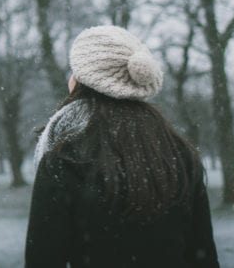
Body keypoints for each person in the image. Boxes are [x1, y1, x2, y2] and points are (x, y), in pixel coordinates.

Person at [25, 25, 219, 268]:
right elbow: (203, 256)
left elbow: (42, 259)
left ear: (82, 81)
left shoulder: (66, 157)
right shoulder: (179, 153)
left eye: (74, 71)